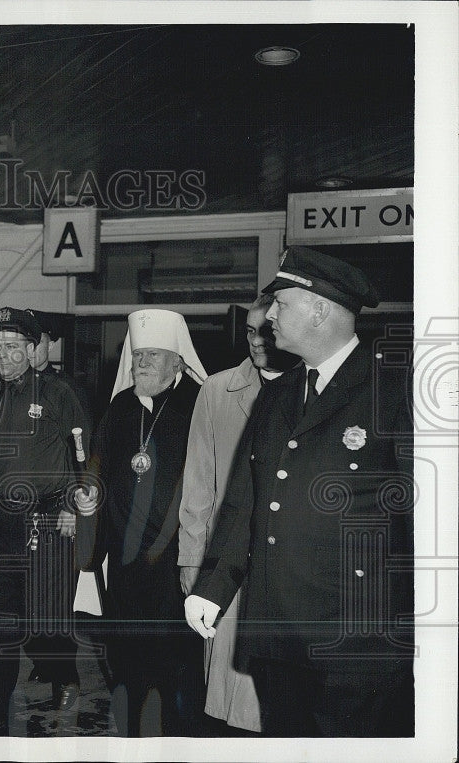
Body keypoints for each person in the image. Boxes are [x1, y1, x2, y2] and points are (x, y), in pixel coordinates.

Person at [185, 247, 414, 737]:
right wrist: (214, 587)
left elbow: (428, 517)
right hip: (277, 627)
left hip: (355, 635)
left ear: (319, 309)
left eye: (281, 304)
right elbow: (245, 501)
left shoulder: (395, 386)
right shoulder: (280, 392)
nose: (269, 317)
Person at [0, 307, 90, 734]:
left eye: (13, 347)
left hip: (47, 523)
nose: (3, 356)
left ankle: (64, 679)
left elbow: (83, 456)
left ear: (33, 349)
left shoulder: (58, 393)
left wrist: (74, 504)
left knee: (46, 621)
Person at [80, 308, 207, 737]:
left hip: (173, 563)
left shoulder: (197, 403)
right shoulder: (120, 405)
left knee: (174, 667)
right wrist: (87, 490)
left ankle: (178, 742)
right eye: (138, 354)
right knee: (126, 662)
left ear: (178, 360)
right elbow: (98, 461)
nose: (143, 362)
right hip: (124, 559)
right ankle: (131, 737)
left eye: (154, 354)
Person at [176, 293, 299, 734]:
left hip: (288, 562)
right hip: (227, 558)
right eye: (249, 331)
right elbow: (199, 482)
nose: (258, 341)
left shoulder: (311, 390)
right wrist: (191, 556)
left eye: (266, 330)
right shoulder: (217, 389)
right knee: (230, 695)